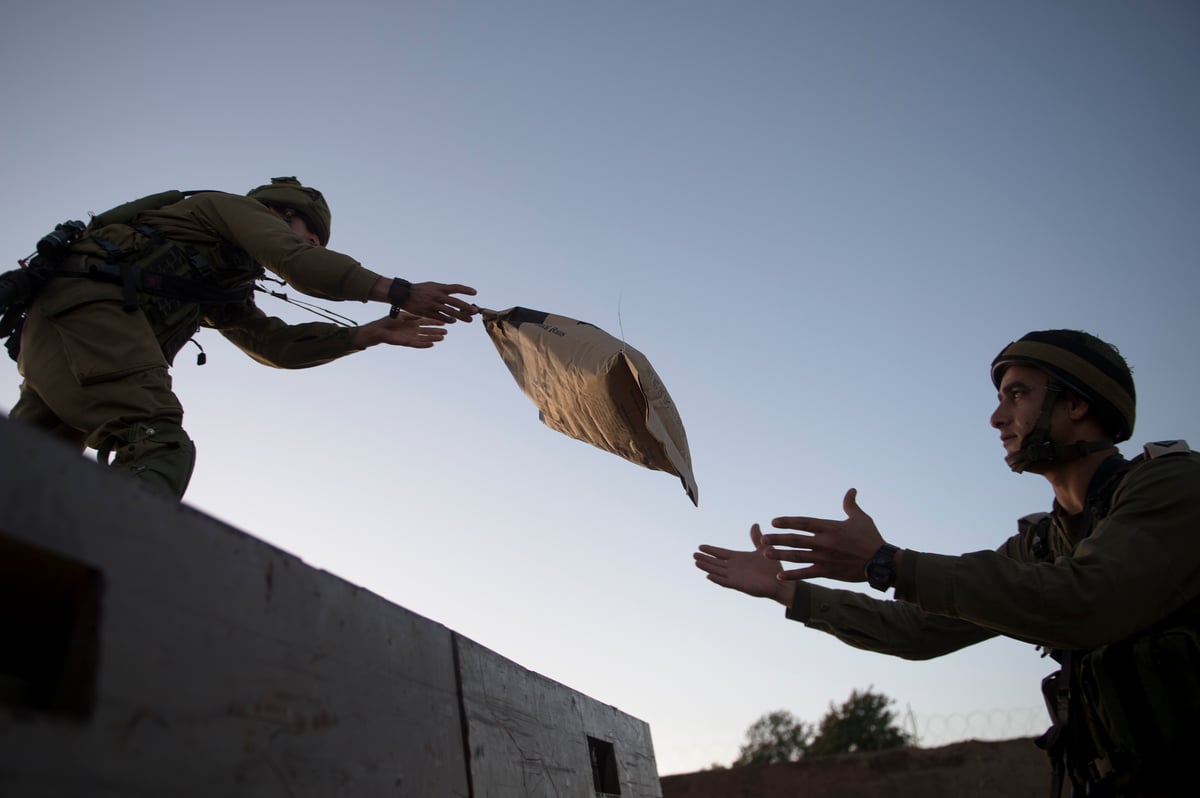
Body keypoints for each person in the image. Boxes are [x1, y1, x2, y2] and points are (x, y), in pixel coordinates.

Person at [694, 330, 1200, 797]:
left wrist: (887, 562)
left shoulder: (1172, 487)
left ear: (1076, 403)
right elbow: (917, 629)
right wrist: (788, 591)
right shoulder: (1043, 543)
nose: (997, 418)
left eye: (1018, 394)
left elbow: (1088, 600)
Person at [4, 176, 479, 498]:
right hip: (86, 316)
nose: (307, 247)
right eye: (305, 235)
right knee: (156, 441)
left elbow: (273, 345)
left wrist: (366, 335)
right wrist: (396, 291)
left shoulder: (217, 278)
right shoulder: (225, 208)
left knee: (29, 472)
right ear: (275, 212)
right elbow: (298, 265)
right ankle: (115, 564)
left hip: (67, 336)